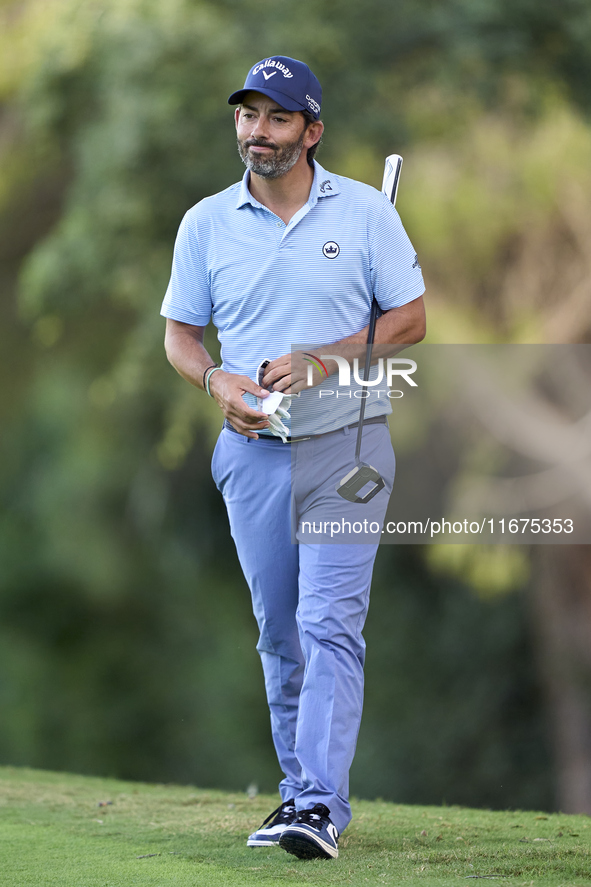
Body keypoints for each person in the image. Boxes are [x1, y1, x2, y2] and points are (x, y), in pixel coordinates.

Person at [161, 55, 426, 860]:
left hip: (346, 443)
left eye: (276, 119)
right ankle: (296, 793)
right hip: (252, 453)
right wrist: (215, 378)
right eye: (247, 116)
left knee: (326, 623)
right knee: (281, 631)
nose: (258, 132)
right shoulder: (205, 222)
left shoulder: (368, 214)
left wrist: (326, 358)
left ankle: (317, 804)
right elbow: (179, 335)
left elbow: (410, 320)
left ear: (311, 131)